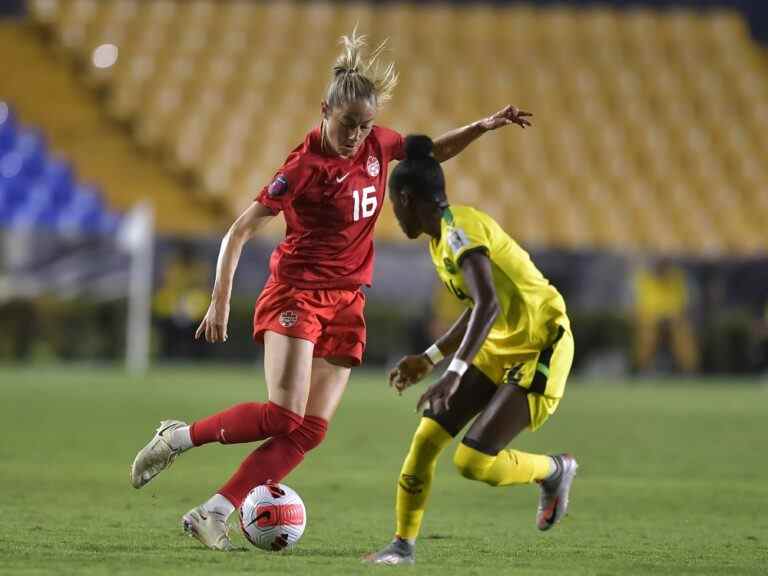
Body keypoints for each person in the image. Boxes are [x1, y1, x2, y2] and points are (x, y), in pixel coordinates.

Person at [129, 30, 533, 551]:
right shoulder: (303, 166)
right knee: (281, 415)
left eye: (364, 125)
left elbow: (430, 151)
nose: (356, 135)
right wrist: (221, 299)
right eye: (347, 124)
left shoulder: (377, 143)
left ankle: (214, 512)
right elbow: (240, 229)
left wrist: (483, 126)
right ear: (325, 110)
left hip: (348, 301)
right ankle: (177, 438)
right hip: (296, 296)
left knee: (309, 430)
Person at [365, 135, 577, 565]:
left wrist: (454, 372)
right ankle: (402, 546)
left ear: (406, 198)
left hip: (541, 345)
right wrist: (429, 357)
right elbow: (477, 307)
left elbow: (488, 304)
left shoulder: (459, 229)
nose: (394, 216)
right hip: (498, 344)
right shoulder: (441, 239)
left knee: (474, 462)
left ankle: (555, 470)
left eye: (393, 206)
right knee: (426, 439)